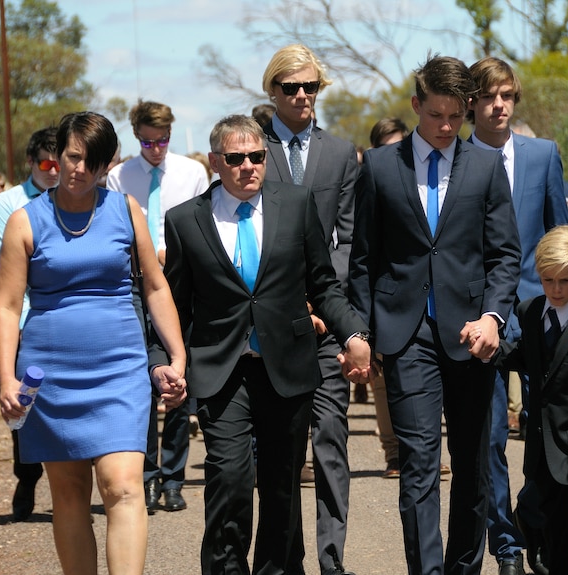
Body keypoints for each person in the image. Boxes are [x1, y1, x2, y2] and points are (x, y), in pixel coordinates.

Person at [148, 114, 372, 575]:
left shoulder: (295, 204)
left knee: (281, 486)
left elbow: (324, 284)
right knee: (230, 478)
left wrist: (353, 333)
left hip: (287, 368)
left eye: (256, 156)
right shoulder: (185, 221)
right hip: (221, 370)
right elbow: (175, 306)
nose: (248, 166)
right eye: (235, 158)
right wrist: (163, 362)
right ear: (215, 162)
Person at [0, 111, 188, 575]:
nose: (79, 169)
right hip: (50, 377)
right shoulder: (25, 221)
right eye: (73, 157)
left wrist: (178, 356)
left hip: (119, 369)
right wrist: (6, 377)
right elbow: (5, 305)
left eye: (92, 162)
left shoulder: (125, 210)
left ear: (105, 167)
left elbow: (156, 288)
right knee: (69, 493)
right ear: (58, 155)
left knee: (122, 485)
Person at [350, 54, 521, 575]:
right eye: (436, 116)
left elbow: (504, 255)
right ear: (416, 104)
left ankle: (463, 568)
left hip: (472, 336)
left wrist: (494, 316)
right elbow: (363, 257)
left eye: (455, 116)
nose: (446, 127)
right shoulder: (380, 167)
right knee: (419, 465)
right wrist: (359, 330)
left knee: (470, 464)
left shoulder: (487, 166)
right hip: (406, 336)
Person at [259, 43, 362, 575]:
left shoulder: (341, 153)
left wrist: (329, 302)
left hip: (326, 323)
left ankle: (331, 560)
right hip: (272, 326)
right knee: (282, 452)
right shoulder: (252, 152)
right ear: (271, 91)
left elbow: (346, 239)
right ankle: (288, 558)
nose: (302, 96)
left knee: (330, 441)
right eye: (290, 87)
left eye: (310, 87)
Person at [466, 56, 568, 575]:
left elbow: (560, 238)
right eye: (488, 96)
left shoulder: (543, 155)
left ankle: (536, 522)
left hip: (539, 318)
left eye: (507, 95)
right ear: (471, 103)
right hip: (479, 322)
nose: (499, 105)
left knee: (548, 430)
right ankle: (505, 544)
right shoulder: (455, 159)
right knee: (487, 442)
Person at [465, 225, 568, 575]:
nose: (556, 290)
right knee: (539, 526)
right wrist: (487, 351)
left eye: (566, 281)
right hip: (540, 450)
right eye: (548, 281)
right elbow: (524, 357)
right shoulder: (530, 312)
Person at [107, 100, 209, 515]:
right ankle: (147, 476)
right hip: (133, 285)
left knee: (178, 380)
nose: (156, 149)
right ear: (137, 137)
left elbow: (207, 227)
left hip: (180, 286)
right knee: (142, 385)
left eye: (163, 140)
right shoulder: (119, 176)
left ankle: (175, 478)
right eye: (148, 142)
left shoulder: (192, 173)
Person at [0, 126, 60, 522]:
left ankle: (69, 480)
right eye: (46, 164)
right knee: (23, 402)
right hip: (26, 316)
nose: (54, 172)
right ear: (32, 164)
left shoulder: (74, 197)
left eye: (59, 163)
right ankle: (28, 474)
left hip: (62, 314)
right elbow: (11, 276)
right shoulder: (8, 204)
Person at [366, 117, 411, 480]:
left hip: (417, 298)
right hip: (382, 297)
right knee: (383, 382)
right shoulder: (368, 180)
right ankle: (394, 453)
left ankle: (417, 450)